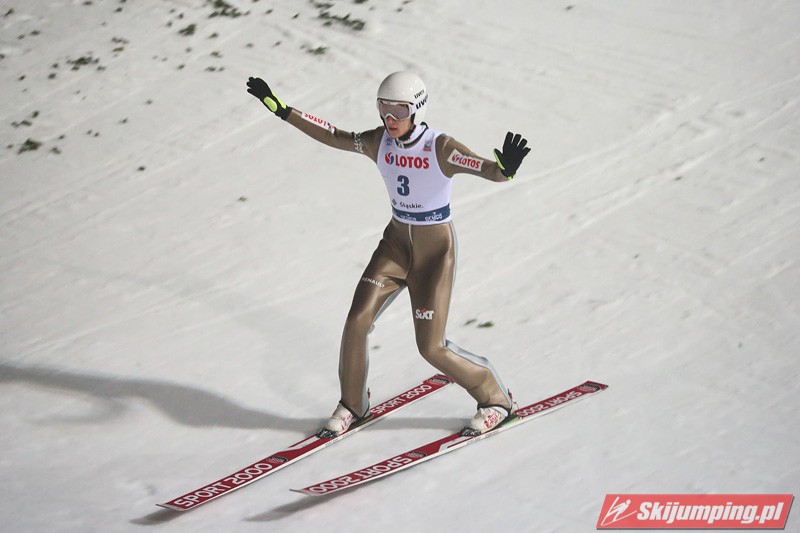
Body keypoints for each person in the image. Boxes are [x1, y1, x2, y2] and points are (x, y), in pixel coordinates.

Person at [246, 71, 531, 437]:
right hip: (395, 247)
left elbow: (487, 169)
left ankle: (495, 398)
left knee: (431, 347)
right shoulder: (378, 141)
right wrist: (283, 110)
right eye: (383, 109)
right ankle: (353, 404)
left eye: (399, 110)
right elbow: (334, 136)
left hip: (434, 254)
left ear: (417, 109)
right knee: (357, 321)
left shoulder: (439, 147)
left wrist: (505, 169)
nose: (390, 119)